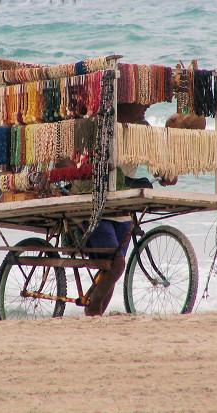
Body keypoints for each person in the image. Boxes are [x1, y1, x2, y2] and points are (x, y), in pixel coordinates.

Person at [83, 101, 174, 316]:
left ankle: (94, 317)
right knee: (117, 264)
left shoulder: (143, 128)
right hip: (96, 205)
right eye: (140, 103)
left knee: (113, 267)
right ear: (122, 105)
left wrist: (166, 175)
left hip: (122, 207)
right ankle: (93, 307)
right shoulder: (100, 126)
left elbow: (157, 161)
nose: (146, 107)